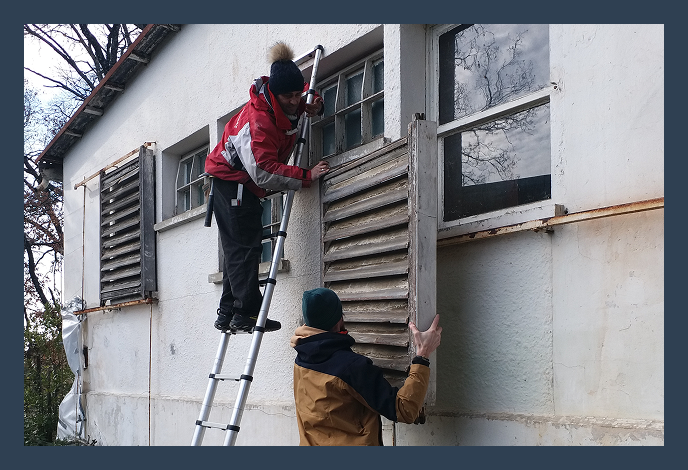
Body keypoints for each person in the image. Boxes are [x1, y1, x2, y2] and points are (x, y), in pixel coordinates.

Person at [205, 42, 330, 333]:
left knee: (239, 250)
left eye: (297, 94)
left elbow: (301, 96)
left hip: (236, 186)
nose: (294, 100)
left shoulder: (280, 98)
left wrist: (313, 104)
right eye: (289, 96)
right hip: (233, 185)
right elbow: (263, 171)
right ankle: (246, 313)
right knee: (245, 250)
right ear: (275, 93)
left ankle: (229, 312)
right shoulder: (258, 121)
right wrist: (306, 175)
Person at [291, 287, 442, 446]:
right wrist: (423, 354)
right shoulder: (351, 367)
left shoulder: (301, 358)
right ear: (339, 319)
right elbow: (405, 410)